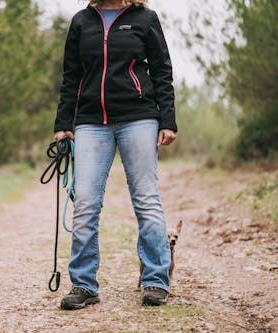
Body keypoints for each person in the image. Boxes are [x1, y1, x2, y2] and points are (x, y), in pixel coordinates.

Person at [53, 0, 177, 309]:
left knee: (146, 199)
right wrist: (63, 123)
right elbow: (71, 76)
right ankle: (83, 285)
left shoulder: (145, 18)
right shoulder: (82, 20)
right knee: (84, 204)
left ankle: (155, 281)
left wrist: (168, 120)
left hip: (139, 117)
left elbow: (162, 70)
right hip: (92, 121)